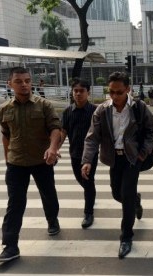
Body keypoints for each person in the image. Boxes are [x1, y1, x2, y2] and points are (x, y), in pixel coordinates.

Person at [81, 71, 153, 259]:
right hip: (114, 158)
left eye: (119, 92)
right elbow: (92, 138)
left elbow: (152, 132)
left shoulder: (139, 108)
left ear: (128, 90)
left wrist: (142, 154)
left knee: (126, 194)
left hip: (133, 159)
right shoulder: (102, 110)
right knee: (117, 193)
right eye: (111, 92)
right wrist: (86, 161)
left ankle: (126, 238)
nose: (114, 96)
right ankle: (135, 201)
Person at [0, 67, 61, 263]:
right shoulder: (4, 109)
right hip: (16, 163)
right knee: (15, 203)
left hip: (42, 160)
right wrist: (7, 159)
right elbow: (6, 134)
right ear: (10, 84)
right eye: (19, 81)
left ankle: (52, 219)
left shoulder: (44, 105)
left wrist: (52, 148)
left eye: (27, 80)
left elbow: (55, 129)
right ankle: (10, 245)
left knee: (48, 194)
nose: (24, 84)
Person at [60, 78, 98, 229]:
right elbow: (63, 131)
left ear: (88, 92)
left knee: (88, 182)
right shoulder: (68, 111)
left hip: (91, 154)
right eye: (75, 91)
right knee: (80, 179)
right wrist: (56, 148)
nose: (78, 94)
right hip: (74, 153)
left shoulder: (95, 111)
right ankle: (91, 195)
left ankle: (88, 213)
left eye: (81, 91)